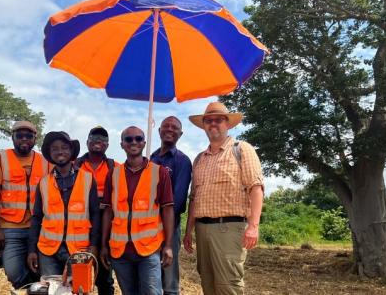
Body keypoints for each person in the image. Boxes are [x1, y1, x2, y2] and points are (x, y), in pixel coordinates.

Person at [183, 102, 264, 295]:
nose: (213, 124)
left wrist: (253, 226)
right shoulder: (199, 159)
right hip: (202, 230)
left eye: (218, 120)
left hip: (230, 229)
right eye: (208, 121)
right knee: (207, 281)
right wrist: (188, 231)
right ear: (204, 126)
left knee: (228, 285)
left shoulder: (241, 149)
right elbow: (194, 198)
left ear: (227, 124)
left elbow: (256, 187)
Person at [100, 126, 175, 295]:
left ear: (144, 143)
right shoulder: (113, 174)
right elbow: (108, 212)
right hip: (120, 251)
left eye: (138, 139)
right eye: (128, 139)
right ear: (122, 144)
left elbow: (168, 209)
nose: (133, 142)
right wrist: (104, 245)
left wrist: (168, 245)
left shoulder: (159, 173)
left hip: (149, 248)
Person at [0, 120, 51, 289]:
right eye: (19, 135)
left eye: (28, 136)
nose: (24, 139)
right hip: (10, 229)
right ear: (12, 137)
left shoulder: (46, 162)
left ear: (35, 138)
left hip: (39, 228)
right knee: (13, 271)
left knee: (40, 269)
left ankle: (34, 289)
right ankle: (31, 289)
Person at [27, 131, 100, 277]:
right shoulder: (43, 182)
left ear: (71, 151)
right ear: (49, 153)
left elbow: (95, 214)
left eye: (65, 147)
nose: (60, 151)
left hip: (79, 250)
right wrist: (31, 250)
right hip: (48, 251)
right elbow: (36, 218)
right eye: (54, 148)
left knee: (79, 290)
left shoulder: (88, 179)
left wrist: (93, 245)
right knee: (51, 290)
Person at [150, 116, 192, 295]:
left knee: (169, 279)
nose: (170, 129)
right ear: (159, 131)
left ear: (180, 134)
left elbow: (178, 200)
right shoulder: (150, 158)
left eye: (174, 127)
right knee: (151, 277)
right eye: (166, 126)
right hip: (147, 229)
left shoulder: (182, 161)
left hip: (169, 227)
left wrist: (162, 224)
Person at [74, 126, 118, 295]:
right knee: (77, 275)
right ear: (87, 142)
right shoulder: (74, 165)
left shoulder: (115, 166)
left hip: (105, 228)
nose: (98, 141)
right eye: (94, 137)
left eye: (102, 139)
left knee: (105, 277)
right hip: (80, 228)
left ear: (107, 145)